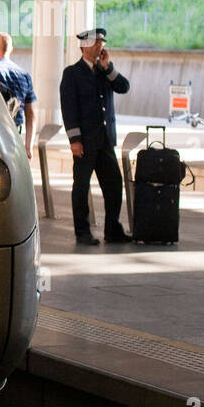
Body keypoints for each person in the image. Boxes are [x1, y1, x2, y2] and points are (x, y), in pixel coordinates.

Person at [60, 28, 132, 246]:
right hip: (85, 140)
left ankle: (113, 229)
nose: (100, 46)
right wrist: (74, 140)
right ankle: (82, 232)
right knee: (81, 186)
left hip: (105, 139)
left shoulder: (104, 72)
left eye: (102, 43)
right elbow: (69, 109)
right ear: (84, 46)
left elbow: (124, 87)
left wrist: (108, 68)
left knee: (113, 184)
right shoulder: (72, 73)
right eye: (96, 43)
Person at [0, 31, 37, 159]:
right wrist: (28, 146)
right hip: (16, 135)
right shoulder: (24, 75)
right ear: (11, 51)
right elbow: (30, 114)